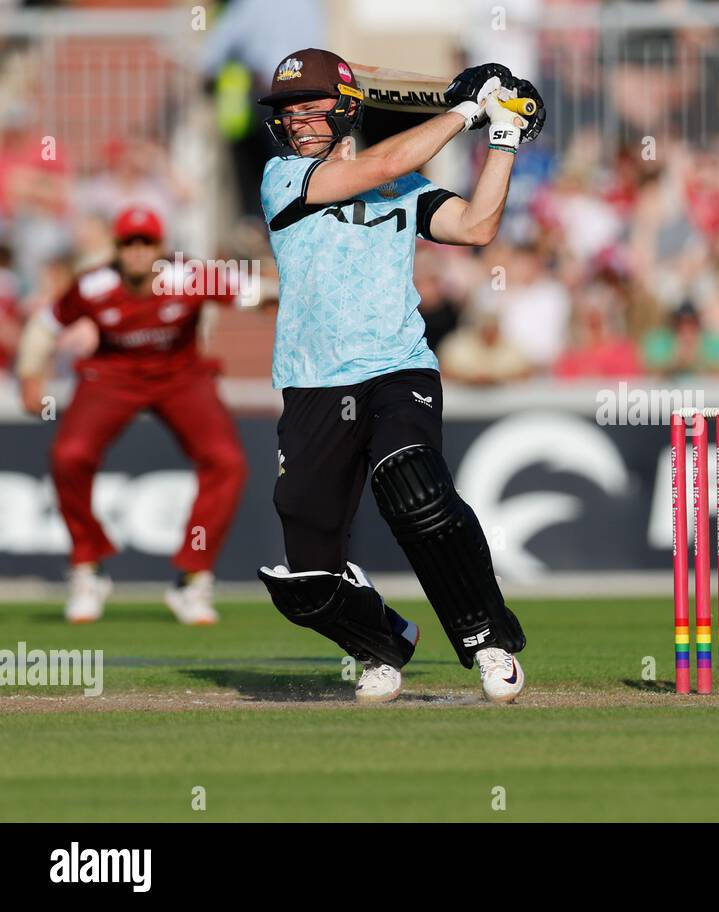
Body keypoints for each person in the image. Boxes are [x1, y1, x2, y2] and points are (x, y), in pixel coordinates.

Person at [255, 48, 544, 704]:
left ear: (346, 109)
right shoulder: (283, 178)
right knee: (306, 579)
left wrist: (502, 136)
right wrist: (469, 107)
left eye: (310, 107)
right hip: (311, 383)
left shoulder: (402, 187)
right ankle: (382, 643)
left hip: (396, 368)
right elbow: (385, 160)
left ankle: (488, 640)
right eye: (288, 111)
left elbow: (475, 226)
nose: (297, 121)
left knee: (414, 483)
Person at [13, 207, 248, 624]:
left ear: (161, 247)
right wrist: (32, 373)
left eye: (146, 242)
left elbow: (253, 292)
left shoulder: (191, 276)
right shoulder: (93, 284)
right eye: (129, 243)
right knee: (69, 455)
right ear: (117, 248)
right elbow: (46, 324)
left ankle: (193, 578)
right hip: (111, 375)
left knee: (226, 461)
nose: (137, 252)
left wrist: (286, 296)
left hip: (182, 375)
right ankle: (87, 568)